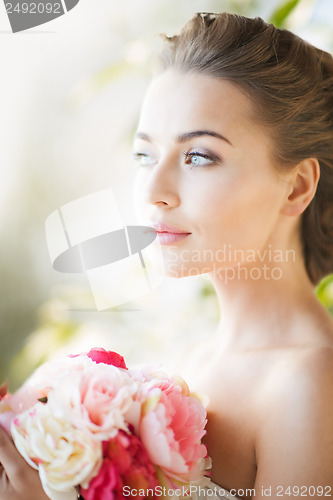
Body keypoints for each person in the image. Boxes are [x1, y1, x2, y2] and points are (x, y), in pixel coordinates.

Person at [0, 11, 333, 500]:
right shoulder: (184, 361)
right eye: (144, 156)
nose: (154, 191)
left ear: (297, 186)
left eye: (198, 156)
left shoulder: (311, 385)